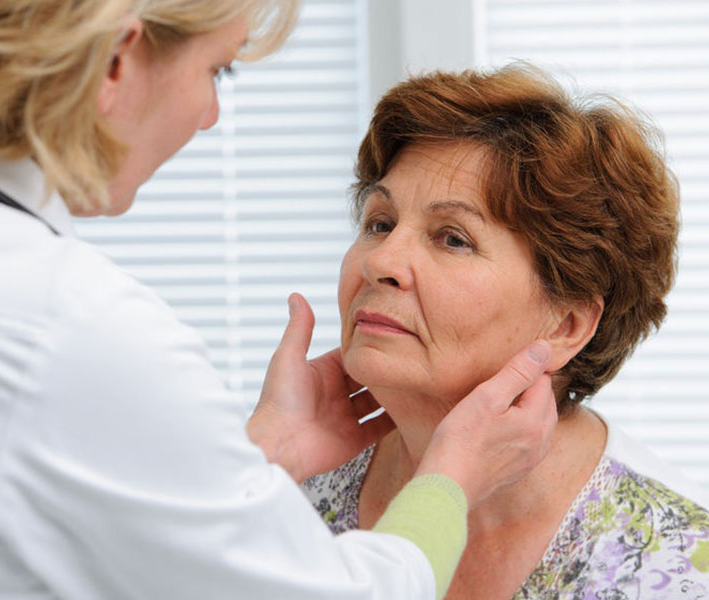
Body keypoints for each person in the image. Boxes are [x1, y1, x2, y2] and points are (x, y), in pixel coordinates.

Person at [0, 3, 558, 599]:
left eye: (453, 238)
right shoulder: (65, 330)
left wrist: (271, 448)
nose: (210, 114)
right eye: (216, 70)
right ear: (115, 60)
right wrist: (449, 485)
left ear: (570, 321)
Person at [302, 64, 709, 599]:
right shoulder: (283, 489)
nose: (381, 261)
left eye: (453, 239)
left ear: (566, 325)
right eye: (380, 223)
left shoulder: (676, 563)